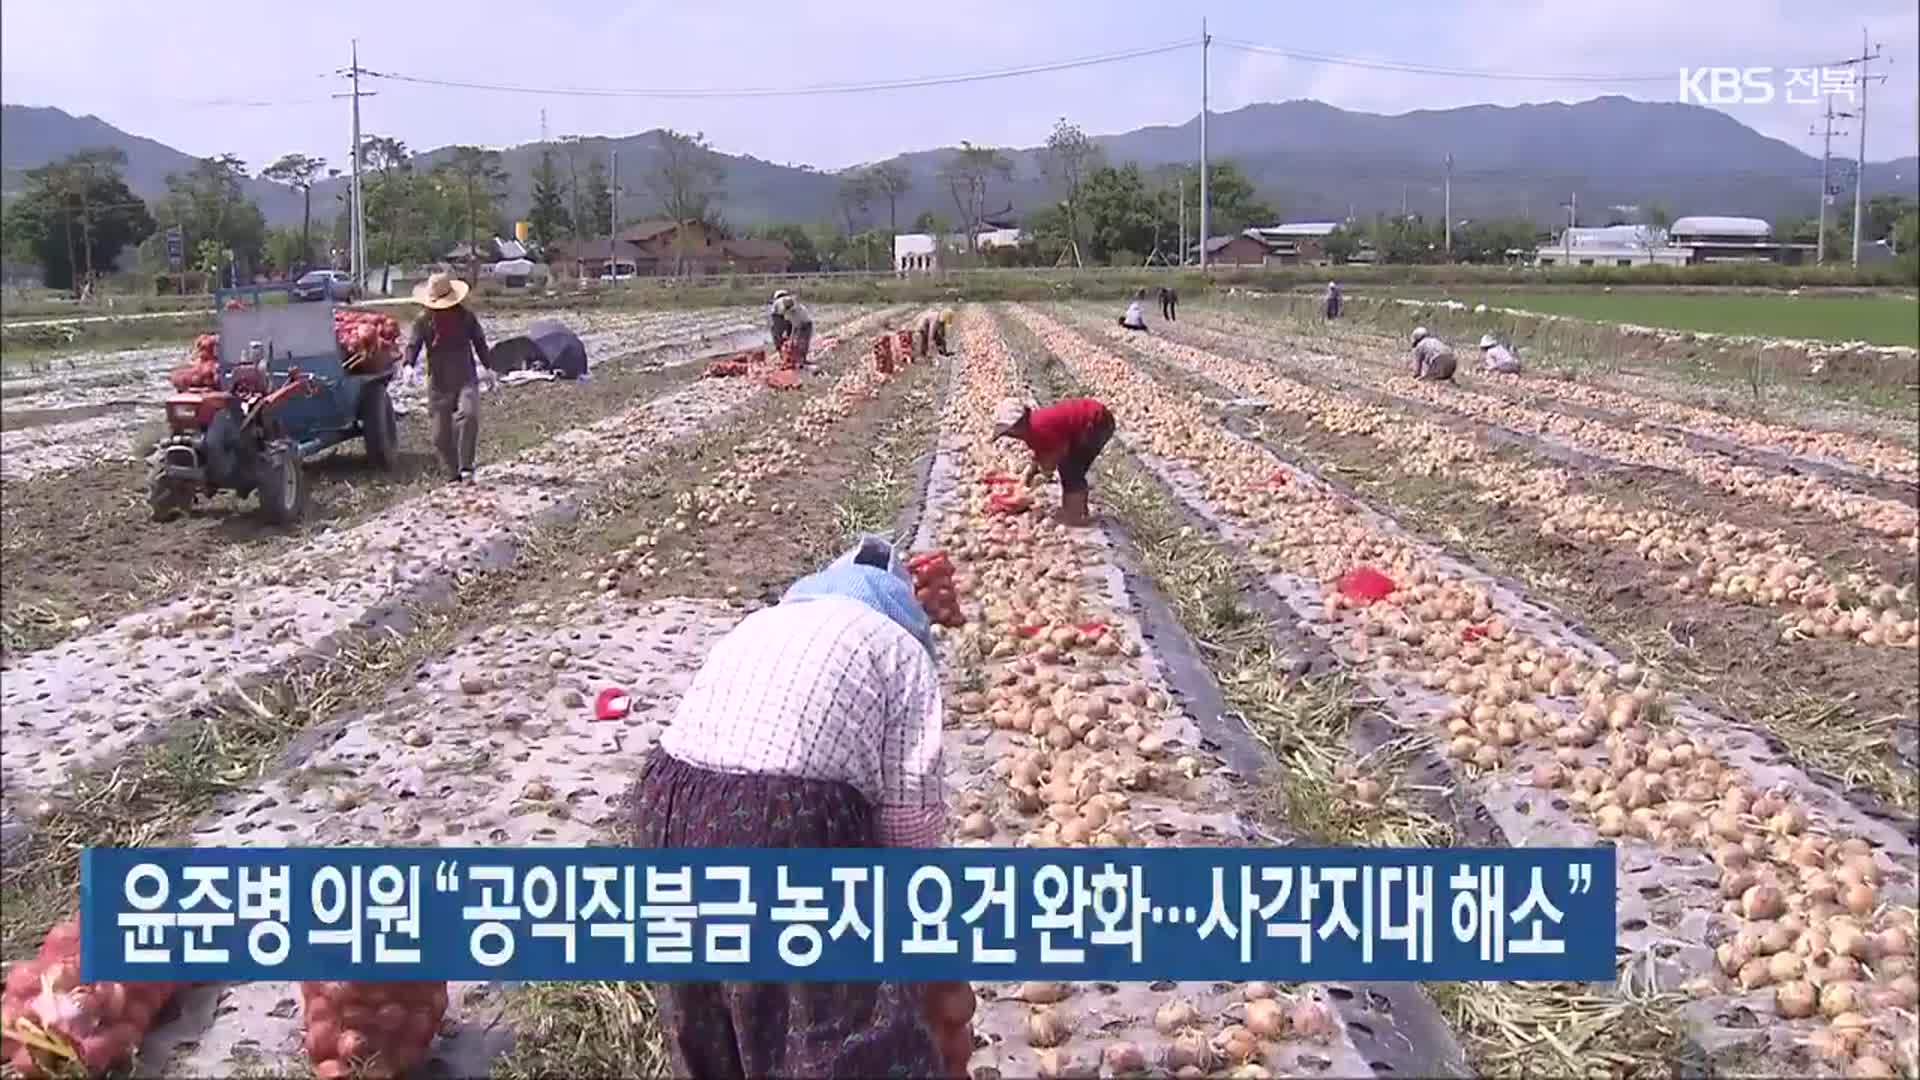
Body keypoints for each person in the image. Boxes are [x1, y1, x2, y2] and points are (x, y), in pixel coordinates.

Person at [624, 536, 972, 1080]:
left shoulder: (761, 623)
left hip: (668, 801)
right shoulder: (898, 651)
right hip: (785, 818)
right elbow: (911, 831)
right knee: (836, 1025)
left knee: (712, 1011)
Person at [404, 271, 492, 482]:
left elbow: (479, 341)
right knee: (440, 436)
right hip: (439, 381)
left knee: (469, 415)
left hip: (465, 376)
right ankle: (453, 473)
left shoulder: (466, 317)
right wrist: (408, 365)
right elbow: (413, 344)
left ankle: (467, 467)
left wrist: (489, 367)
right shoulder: (424, 321)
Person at [992, 396, 1116, 527]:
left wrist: (1043, 474)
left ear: (1019, 424)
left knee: (1071, 469)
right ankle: (1077, 509)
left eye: (1010, 432)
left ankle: (1075, 515)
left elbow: (1059, 451)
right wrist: (1029, 475)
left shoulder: (1038, 427)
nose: (1010, 436)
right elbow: (1041, 451)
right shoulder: (1032, 428)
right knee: (1070, 467)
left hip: (1097, 422)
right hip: (1091, 420)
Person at [775, 291, 815, 369]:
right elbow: (792, 325)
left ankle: (801, 361)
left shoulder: (797, 311)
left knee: (802, 343)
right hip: (800, 324)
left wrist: (792, 338)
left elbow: (796, 326)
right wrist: (790, 338)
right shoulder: (787, 308)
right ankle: (794, 359)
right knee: (795, 342)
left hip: (806, 324)